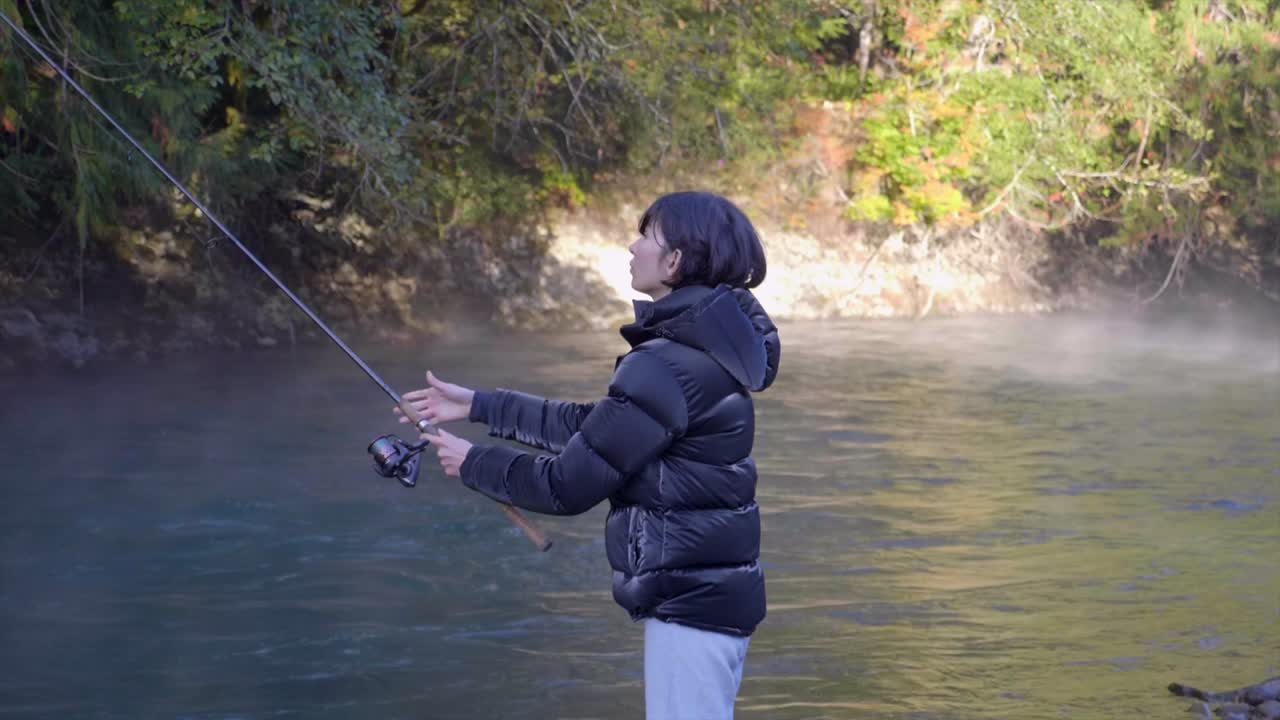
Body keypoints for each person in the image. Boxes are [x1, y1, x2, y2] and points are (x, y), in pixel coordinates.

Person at [395, 191, 780, 719]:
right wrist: (480, 405)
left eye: (647, 236)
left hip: (692, 608)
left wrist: (475, 463)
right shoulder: (704, 352)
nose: (632, 244)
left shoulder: (669, 364)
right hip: (708, 601)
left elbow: (566, 485)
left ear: (675, 262)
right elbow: (596, 429)